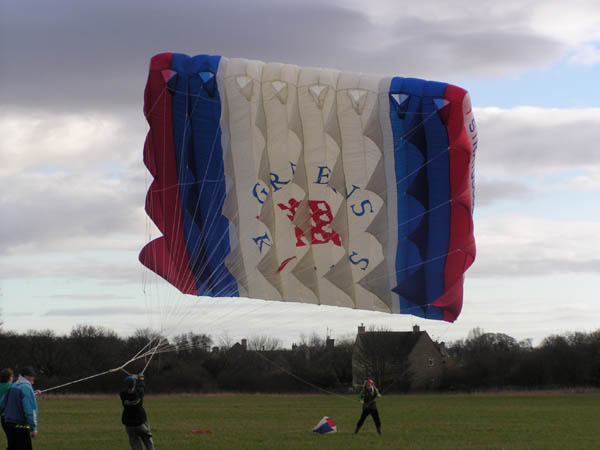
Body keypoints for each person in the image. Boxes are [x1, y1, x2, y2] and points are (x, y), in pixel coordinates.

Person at [0, 366, 39, 450]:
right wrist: (34, 428)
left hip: (8, 424)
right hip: (20, 424)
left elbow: (2, 403)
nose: (33, 380)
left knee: (12, 447)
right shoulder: (26, 388)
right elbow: (30, 410)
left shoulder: (13, 385)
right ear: (26, 377)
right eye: (32, 377)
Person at [120, 374, 155, 450]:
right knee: (148, 442)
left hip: (129, 424)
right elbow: (142, 386)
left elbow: (127, 387)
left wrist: (132, 378)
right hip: (140, 423)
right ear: (134, 384)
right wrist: (141, 378)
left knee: (135, 445)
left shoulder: (122, 394)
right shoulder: (139, 393)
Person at [0, 368, 14, 440]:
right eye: (12, 376)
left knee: (10, 439)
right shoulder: (12, 386)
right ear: (9, 378)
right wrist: (35, 392)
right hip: (11, 417)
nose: (13, 378)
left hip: (2, 418)